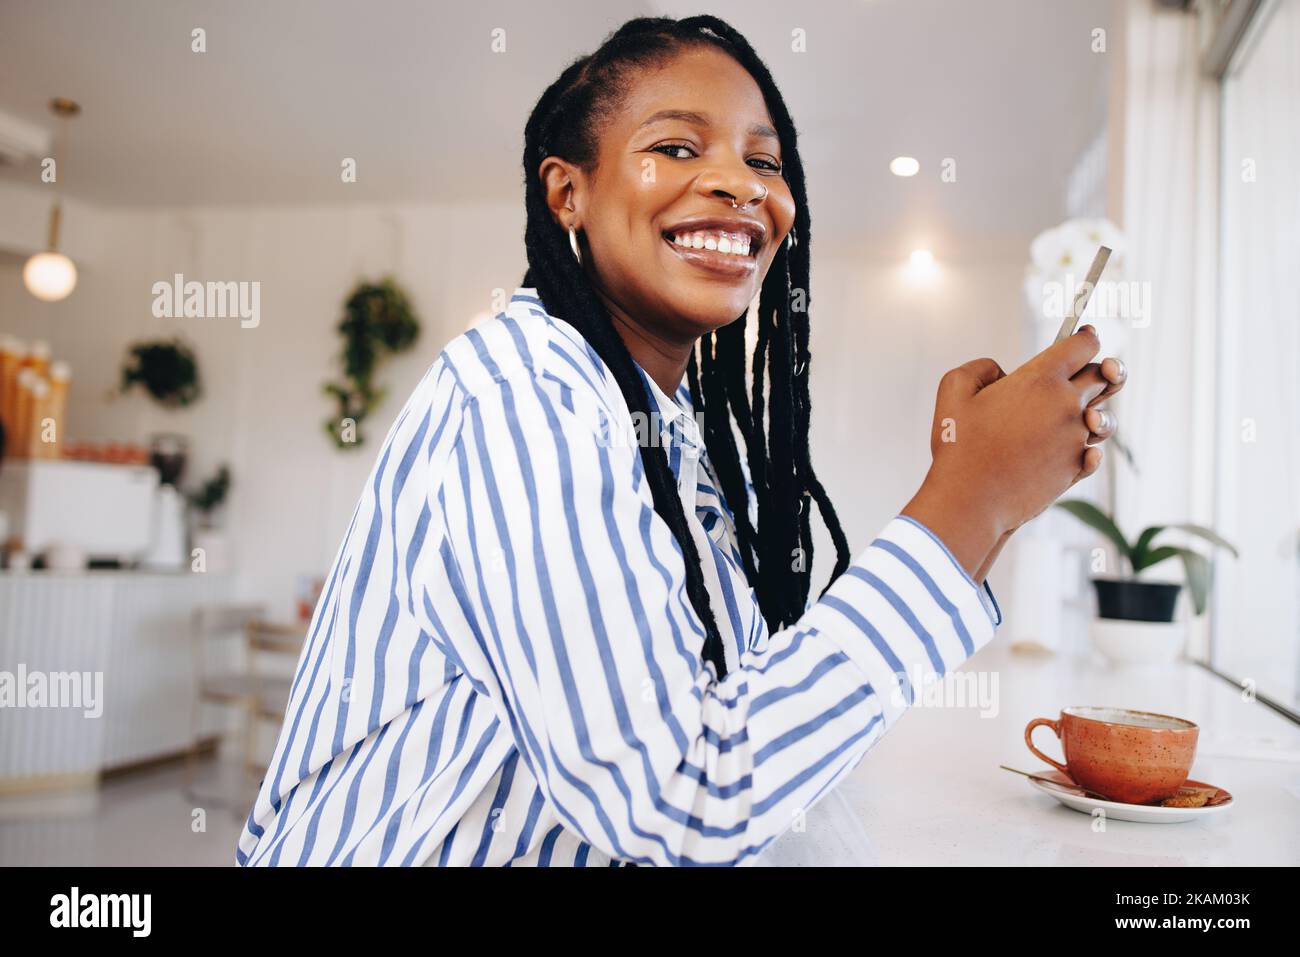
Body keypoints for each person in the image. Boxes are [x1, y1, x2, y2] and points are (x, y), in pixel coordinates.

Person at [237, 14, 1125, 867]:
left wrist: (995, 487)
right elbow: (674, 792)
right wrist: (970, 500)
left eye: (763, 160)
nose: (741, 183)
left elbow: (737, 710)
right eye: (676, 147)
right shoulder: (526, 398)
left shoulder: (671, 427)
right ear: (568, 192)